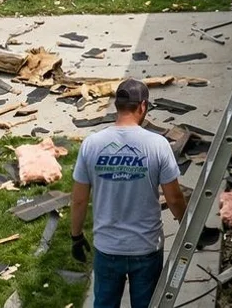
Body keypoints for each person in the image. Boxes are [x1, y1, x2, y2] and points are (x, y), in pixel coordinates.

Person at [70, 78, 188, 308]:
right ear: (143, 106)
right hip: (146, 247)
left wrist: (76, 236)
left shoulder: (92, 144)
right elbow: (174, 198)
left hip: (107, 248)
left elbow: (79, 199)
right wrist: (188, 225)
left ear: (117, 105)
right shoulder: (157, 144)